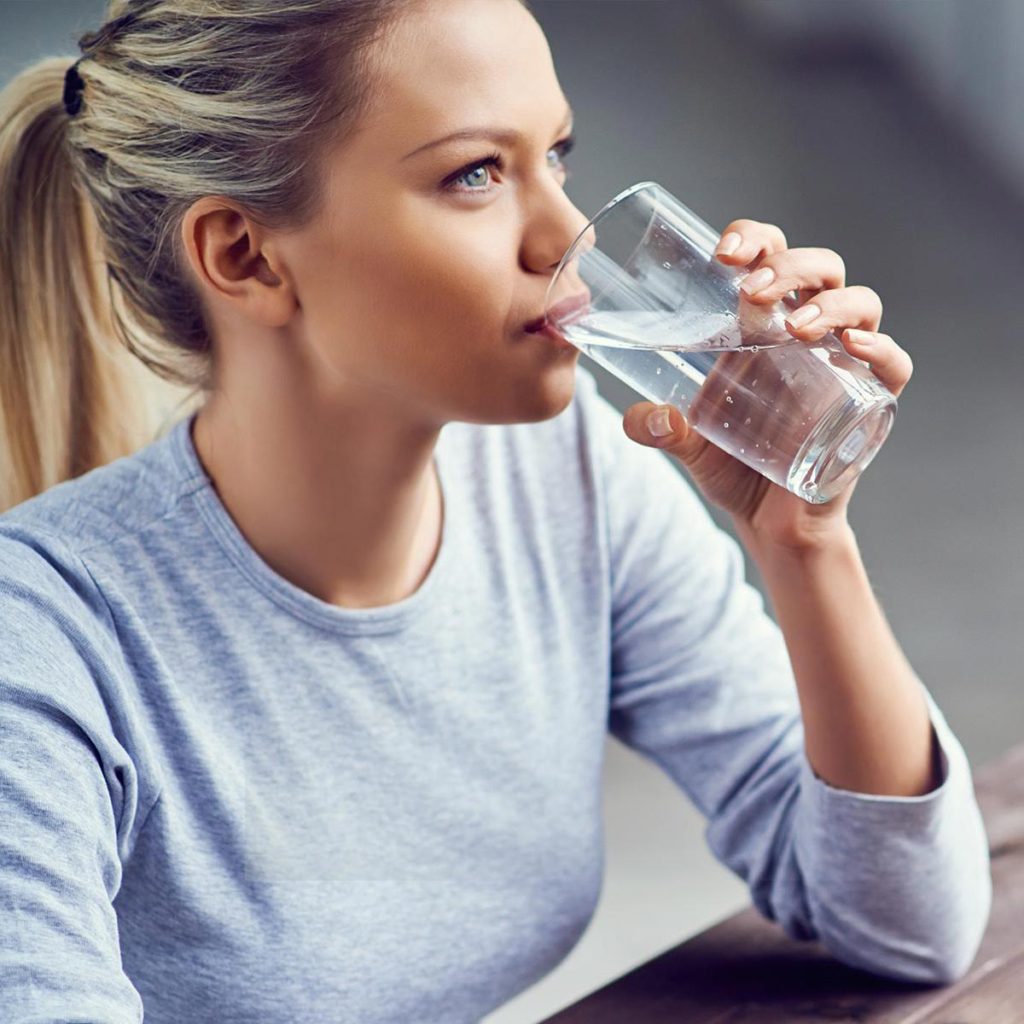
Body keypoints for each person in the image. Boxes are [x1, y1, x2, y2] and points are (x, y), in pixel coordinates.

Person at [0, 1, 991, 1021]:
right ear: (245, 256)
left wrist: (805, 541)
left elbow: (908, 926)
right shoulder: (40, 636)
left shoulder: (568, 483)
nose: (567, 235)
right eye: (474, 173)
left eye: (555, 154)